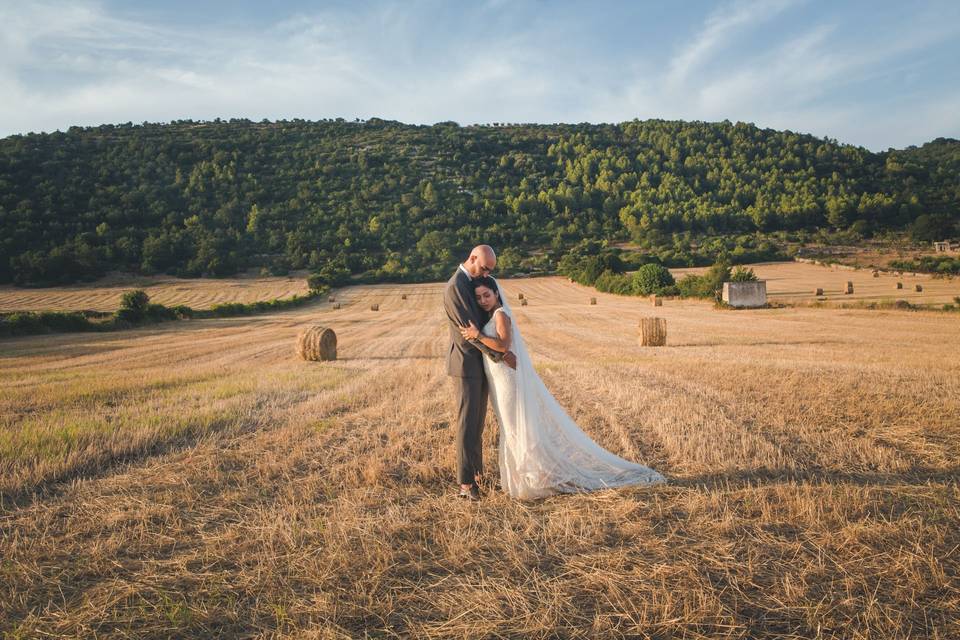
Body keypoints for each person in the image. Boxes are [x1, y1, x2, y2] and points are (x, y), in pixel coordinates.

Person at [459, 276, 666, 500]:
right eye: (479, 297)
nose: (483, 300)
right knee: (510, 429)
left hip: (507, 381)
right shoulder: (491, 315)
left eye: (486, 295)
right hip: (499, 380)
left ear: (496, 294)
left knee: (514, 430)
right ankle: (522, 480)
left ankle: (531, 481)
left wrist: (478, 335)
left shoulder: (501, 315)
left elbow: (503, 345)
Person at [442, 245, 517, 501]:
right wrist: (502, 355)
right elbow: (469, 332)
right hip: (465, 365)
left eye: (490, 270)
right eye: (484, 267)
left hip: (481, 364)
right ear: (472, 258)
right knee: (467, 425)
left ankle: (477, 478)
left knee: (477, 426)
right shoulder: (455, 286)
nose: (486, 274)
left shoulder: (473, 281)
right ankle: (465, 484)